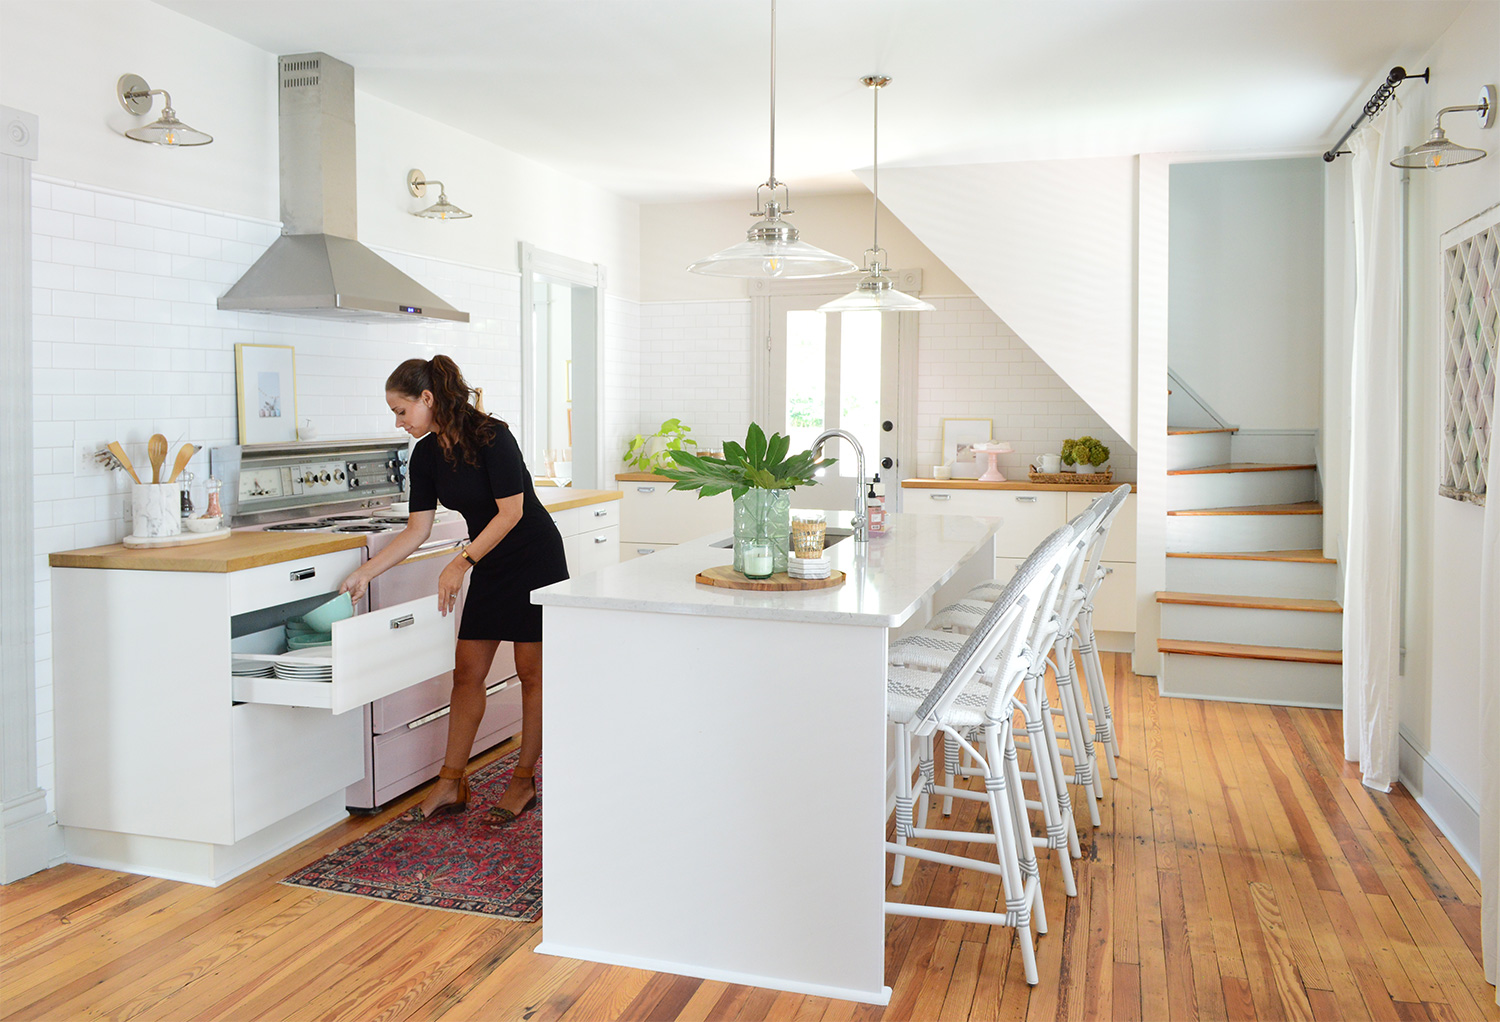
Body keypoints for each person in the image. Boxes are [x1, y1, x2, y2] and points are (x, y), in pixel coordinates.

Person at [340, 355, 567, 824]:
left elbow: (512, 513)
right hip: (488, 562)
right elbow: (416, 530)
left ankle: (523, 781)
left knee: (533, 674)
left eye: (401, 411)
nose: (398, 422)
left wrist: (460, 563)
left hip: (532, 558)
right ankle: (451, 781)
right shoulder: (424, 455)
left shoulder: (492, 436)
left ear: (427, 399)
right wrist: (368, 572)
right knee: (467, 672)